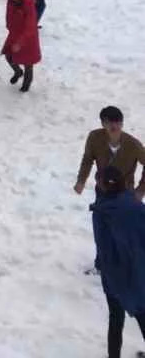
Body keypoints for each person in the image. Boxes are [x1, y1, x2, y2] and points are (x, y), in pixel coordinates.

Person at [91, 165, 145, 358]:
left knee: (116, 317)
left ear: (104, 186)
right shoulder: (136, 205)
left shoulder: (102, 212)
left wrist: (101, 266)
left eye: (98, 181)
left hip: (116, 276)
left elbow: (103, 247)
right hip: (140, 272)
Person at [75, 107, 145, 200]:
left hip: (125, 192)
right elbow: (87, 159)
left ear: (122, 124)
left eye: (117, 123)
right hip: (102, 190)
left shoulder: (133, 145)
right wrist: (81, 181)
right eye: (109, 123)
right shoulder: (95, 138)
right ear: (103, 124)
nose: (114, 126)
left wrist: (141, 189)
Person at [1, 0, 41, 92]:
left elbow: (30, 26)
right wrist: (9, 26)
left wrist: (20, 43)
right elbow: (8, 14)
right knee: (8, 56)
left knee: (28, 63)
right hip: (14, 33)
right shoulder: (11, 1)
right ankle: (18, 72)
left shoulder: (28, 3)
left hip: (28, 37)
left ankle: (26, 86)